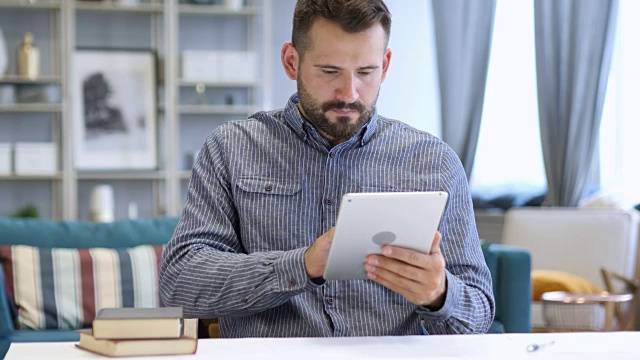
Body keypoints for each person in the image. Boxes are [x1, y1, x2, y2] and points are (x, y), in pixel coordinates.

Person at [160, 0, 495, 337]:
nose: (349, 93)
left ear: (386, 64)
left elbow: (479, 314)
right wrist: (303, 264)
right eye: (330, 71)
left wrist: (439, 295)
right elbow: (180, 284)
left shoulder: (434, 162)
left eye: (366, 72)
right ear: (292, 61)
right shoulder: (230, 149)